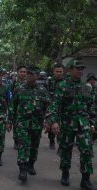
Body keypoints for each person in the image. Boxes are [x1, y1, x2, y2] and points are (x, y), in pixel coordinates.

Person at [46, 59, 96, 190]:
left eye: (82, 69)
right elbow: (55, 105)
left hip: (83, 124)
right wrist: (54, 121)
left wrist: (93, 122)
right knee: (66, 150)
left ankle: (85, 179)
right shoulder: (62, 85)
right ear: (70, 69)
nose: (80, 71)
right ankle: (65, 173)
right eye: (77, 68)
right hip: (67, 124)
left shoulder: (86, 87)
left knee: (87, 150)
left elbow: (91, 107)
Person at [11, 65, 50, 183]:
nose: (28, 75)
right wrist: (10, 121)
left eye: (31, 74)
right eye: (27, 73)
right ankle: (22, 169)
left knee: (34, 147)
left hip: (36, 124)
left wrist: (48, 121)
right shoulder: (19, 88)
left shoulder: (43, 90)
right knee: (23, 146)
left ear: (37, 76)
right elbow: (13, 106)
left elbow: (49, 107)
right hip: (22, 123)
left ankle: (31, 164)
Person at [46, 63, 64, 149]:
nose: (59, 73)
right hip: (51, 107)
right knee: (52, 123)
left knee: (63, 125)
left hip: (63, 108)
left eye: (60, 71)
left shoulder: (66, 82)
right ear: (53, 72)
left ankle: (61, 141)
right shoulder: (49, 81)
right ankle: (51, 140)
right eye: (57, 71)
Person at [11, 65, 27, 149]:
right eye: (21, 71)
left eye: (24, 72)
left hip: (26, 108)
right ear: (18, 73)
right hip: (16, 108)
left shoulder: (28, 82)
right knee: (16, 124)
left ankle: (23, 141)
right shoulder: (14, 82)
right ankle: (16, 141)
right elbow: (10, 95)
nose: (23, 73)